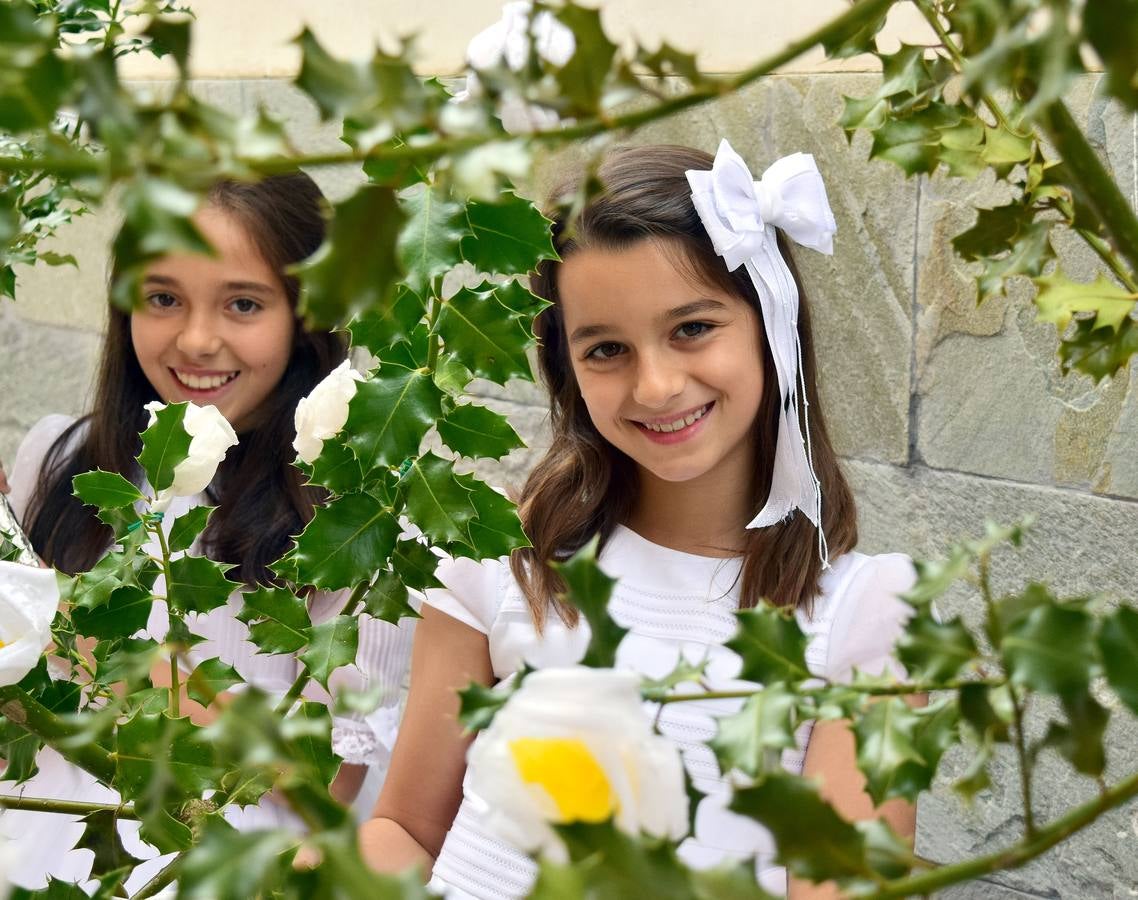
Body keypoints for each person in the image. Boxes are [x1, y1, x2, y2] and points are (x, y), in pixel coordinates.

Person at [358, 142, 920, 898]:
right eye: (606, 350)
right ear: (566, 371)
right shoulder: (499, 559)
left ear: (772, 328)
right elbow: (405, 830)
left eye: (692, 328)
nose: (655, 386)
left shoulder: (865, 616)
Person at [0, 172, 414, 891]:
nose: (196, 339)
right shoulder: (59, 458)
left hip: (219, 865)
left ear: (306, 316)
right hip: (34, 840)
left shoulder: (350, 516)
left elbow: (321, 781)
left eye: (243, 304)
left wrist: (69, 621)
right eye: (163, 298)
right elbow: (25, 707)